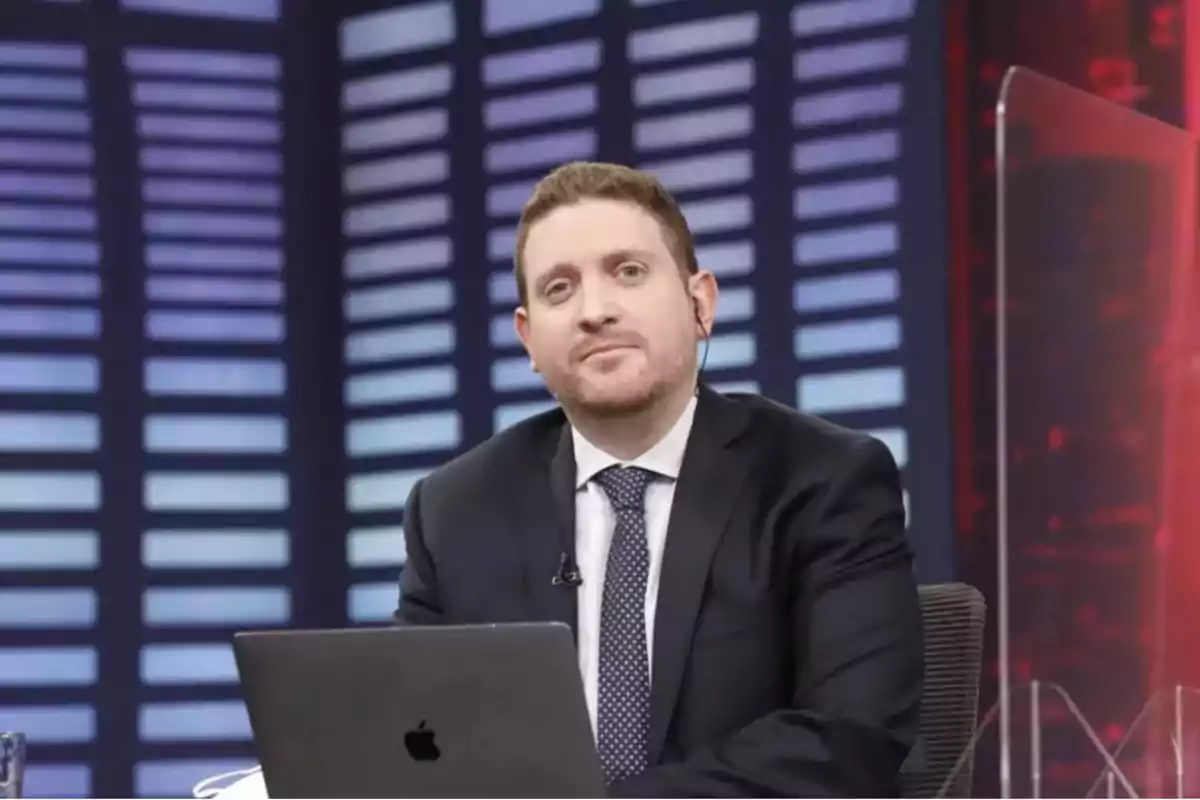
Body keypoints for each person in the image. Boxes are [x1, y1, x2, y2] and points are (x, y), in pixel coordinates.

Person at [397, 161, 923, 797]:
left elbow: (848, 737)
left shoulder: (824, 481)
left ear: (700, 303)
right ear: (529, 340)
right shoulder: (454, 509)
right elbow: (409, 739)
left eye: (628, 272)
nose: (594, 311)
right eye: (559, 289)